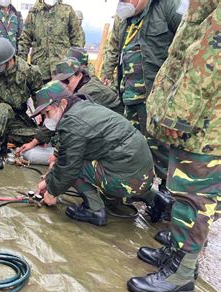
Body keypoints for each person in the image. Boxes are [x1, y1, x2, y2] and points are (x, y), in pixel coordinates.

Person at [127, 0, 220, 292]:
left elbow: (210, 61)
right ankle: (176, 256)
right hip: (195, 117)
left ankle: (181, 276)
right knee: (182, 192)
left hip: (206, 122)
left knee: (195, 199)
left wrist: (177, 114)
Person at [31, 81, 154, 226]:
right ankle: (154, 198)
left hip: (128, 177)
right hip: (144, 174)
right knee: (74, 162)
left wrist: (51, 192)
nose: (47, 119)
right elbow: (66, 153)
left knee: (75, 168)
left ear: (63, 103)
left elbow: (68, 166)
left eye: (47, 113)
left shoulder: (73, 122)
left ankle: (94, 210)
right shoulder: (84, 107)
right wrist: (48, 181)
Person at [105, 0, 187, 180]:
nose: (122, 3)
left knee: (161, 153)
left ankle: (168, 198)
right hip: (130, 97)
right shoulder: (126, 18)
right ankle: (145, 193)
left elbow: (190, 44)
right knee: (136, 149)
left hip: (155, 99)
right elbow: (115, 49)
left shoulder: (167, 7)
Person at [0, 38, 43, 170]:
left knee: (40, 137)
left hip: (17, 119)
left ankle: (4, 138)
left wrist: (43, 121)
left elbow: (41, 100)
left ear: (10, 60)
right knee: (2, 109)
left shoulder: (29, 72)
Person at [18, 0, 84, 82]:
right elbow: (25, 40)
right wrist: (21, 67)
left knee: (64, 94)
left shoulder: (67, 11)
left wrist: (75, 65)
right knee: (42, 94)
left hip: (63, 70)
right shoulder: (34, 13)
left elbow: (77, 40)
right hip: (40, 70)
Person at [53, 57, 123, 115]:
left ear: (79, 75)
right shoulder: (85, 82)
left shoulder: (87, 92)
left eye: (66, 80)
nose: (64, 85)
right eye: (60, 81)